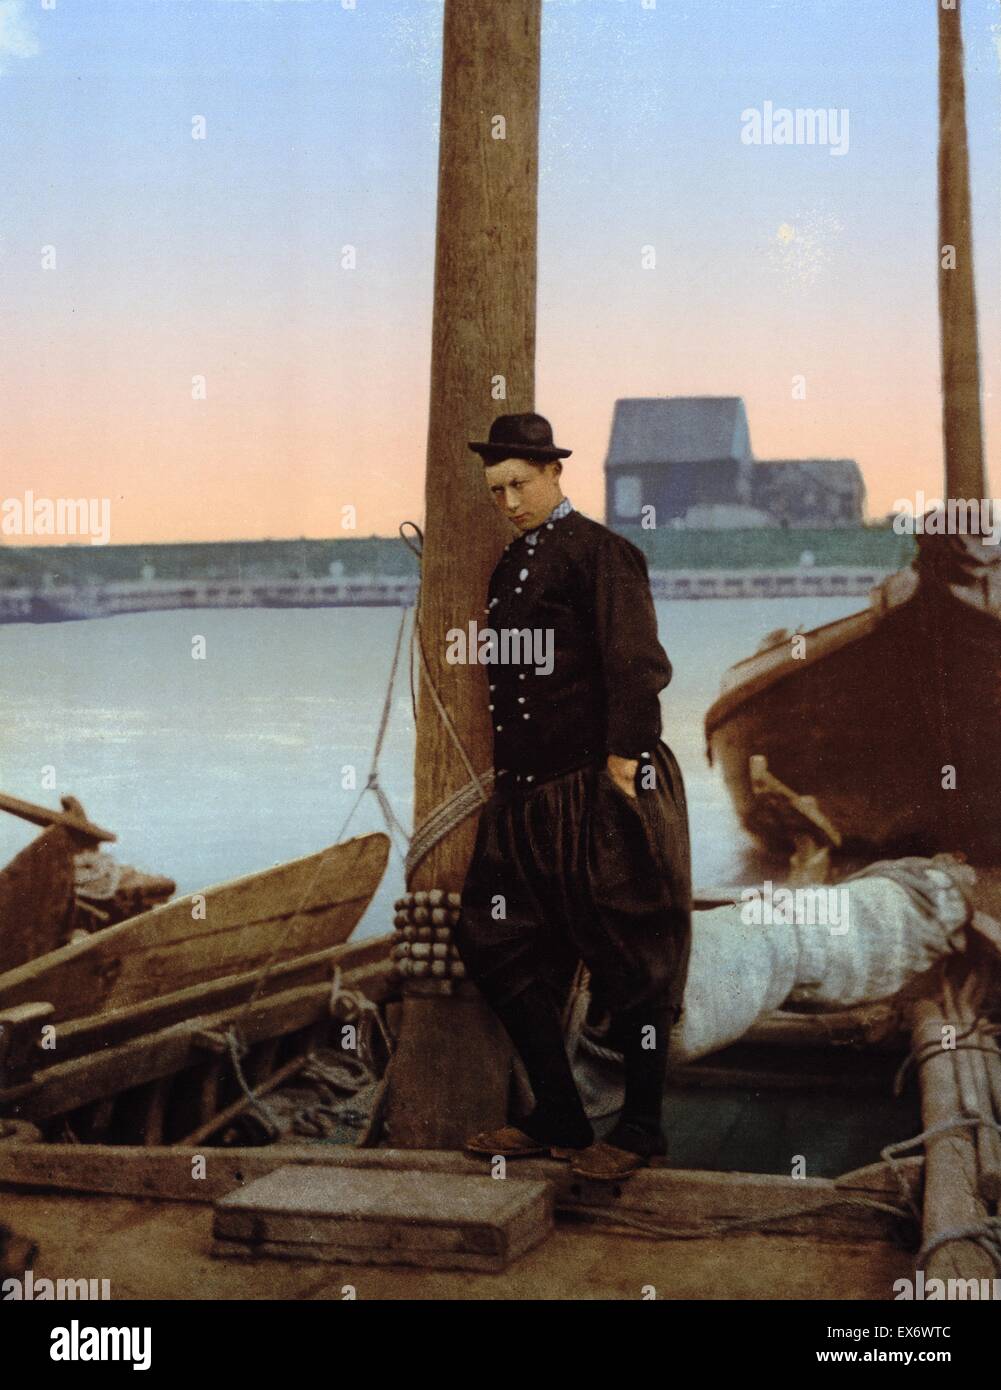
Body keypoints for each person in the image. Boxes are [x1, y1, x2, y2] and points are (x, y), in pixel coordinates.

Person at [453, 412, 692, 1181]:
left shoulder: (602, 553)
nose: (509, 501)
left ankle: (642, 1127)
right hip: (524, 801)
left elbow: (637, 662)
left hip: (596, 788)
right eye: (497, 491)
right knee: (492, 943)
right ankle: (557, 1110)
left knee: (633, 958)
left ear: (555, 473)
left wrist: (624, 764)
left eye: (519, 484)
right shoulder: (512, 563)